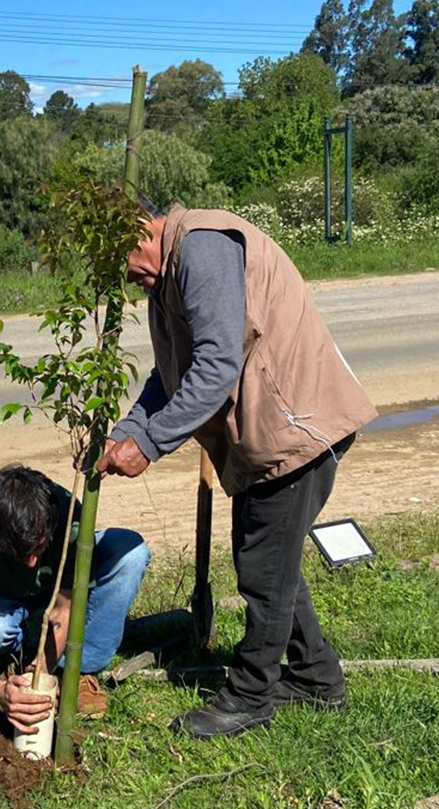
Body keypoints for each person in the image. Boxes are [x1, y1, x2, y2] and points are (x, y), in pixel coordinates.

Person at [98, 202, 377, 738]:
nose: (127, 279)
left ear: (143, 231)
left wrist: (151, 443)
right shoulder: (169, 275)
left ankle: (250, 695)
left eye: (124, 262)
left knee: (263, 571)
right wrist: (131, 427)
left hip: (296, 425)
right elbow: (172, 371)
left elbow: (217, 364)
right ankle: (318, 678)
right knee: (270, 560)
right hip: (270, 433)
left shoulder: (201, 249)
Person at [0, 464, 151, 733]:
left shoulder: (67, 514)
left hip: (57, 594)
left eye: (38, 548)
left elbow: (65, 608)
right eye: (18, 554)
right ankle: (15, 657)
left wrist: (43, 673)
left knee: (131, 553)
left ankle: (82, 668)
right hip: (2, 598)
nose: (32, 563)